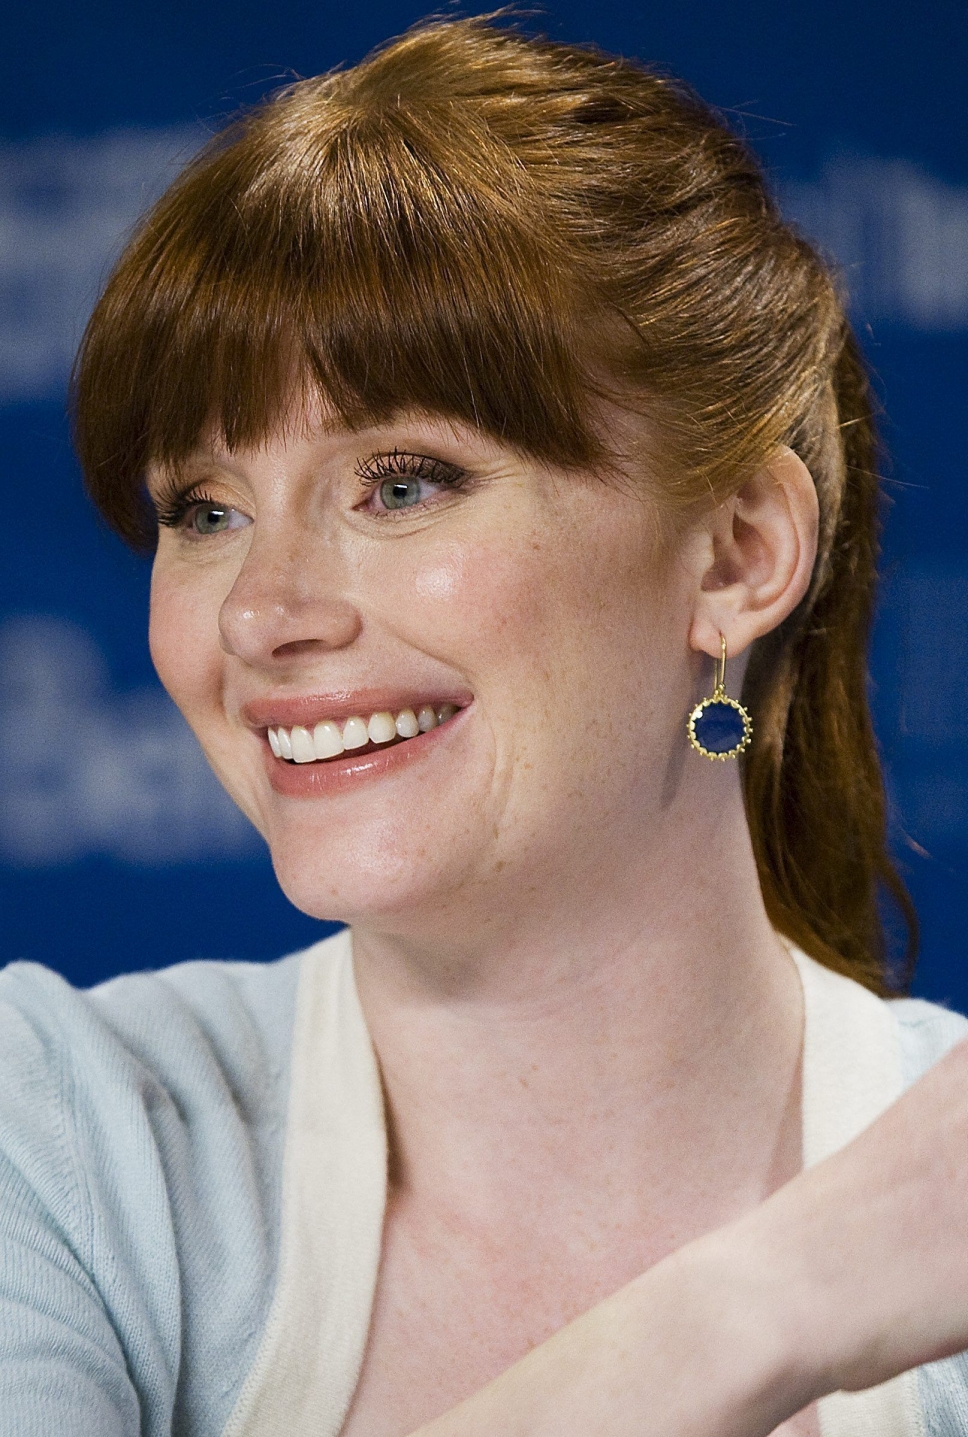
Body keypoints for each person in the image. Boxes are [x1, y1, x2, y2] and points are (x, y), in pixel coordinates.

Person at [2, 14, 968, 1436]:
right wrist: (764, 1306)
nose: (261, 614)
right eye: (204, 511)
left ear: (737, 553)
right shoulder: (57, 1129)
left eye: (403, 483)